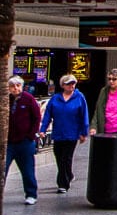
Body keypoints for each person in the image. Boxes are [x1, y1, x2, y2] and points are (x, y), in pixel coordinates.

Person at [40, 75, 90, 193]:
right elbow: (48, 114)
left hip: (72, 134)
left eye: (73, 83)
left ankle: (63, 184)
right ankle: (69, 174)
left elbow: (84, 115)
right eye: (68, 84)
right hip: (58, 133)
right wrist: (43, 129)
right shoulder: (55, 98)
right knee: (59, 156)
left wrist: (84, 132)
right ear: (63, 85)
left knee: (66, 158)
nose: (71, 86)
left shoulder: (79, 97)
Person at [6, 76, 41, 204]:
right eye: (12, 86)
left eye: (18, 86)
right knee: (3, 169)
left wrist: (31, 135)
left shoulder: (28, 99)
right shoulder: (6, 99)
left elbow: (37, 117)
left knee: (27, 170)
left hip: (25, 142)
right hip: (9, 142)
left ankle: (31, 194)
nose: (15, 88)